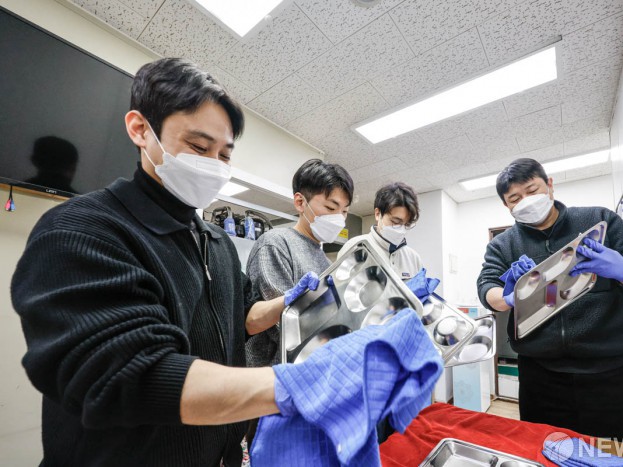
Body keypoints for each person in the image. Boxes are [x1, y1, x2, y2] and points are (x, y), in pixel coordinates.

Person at [11, 58, 319, 466]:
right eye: (199, 148)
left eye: (224, 155)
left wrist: (295, 301)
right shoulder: (82, 230)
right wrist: (305, 385)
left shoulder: (216, 243)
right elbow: (135, 378)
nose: (214, 165)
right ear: (141, 129)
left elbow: (244, 317)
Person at [477, 158, 623, 441]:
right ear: (506, 205)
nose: (526, 201)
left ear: (550, 185)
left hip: (612, 372)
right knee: (548, 451)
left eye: (532, 190)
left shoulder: (598, 220)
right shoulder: (503, 244)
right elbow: (487, 288)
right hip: (541, 377)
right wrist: (508, 297)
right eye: (515, 198)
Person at [245, 158, 354, 367]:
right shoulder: (276, 244)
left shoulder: (325, 260)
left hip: (310, 368)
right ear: (300, 202)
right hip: (273, 374)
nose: (339, 219)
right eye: (331, 207)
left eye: (344, 211)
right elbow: (282, 325)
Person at [338, 181, 423, 280]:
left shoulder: (414, 259)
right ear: (378, 214)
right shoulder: (354, 247)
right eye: (395, 222)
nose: (401, 229)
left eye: (407, 224)